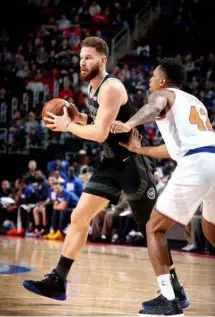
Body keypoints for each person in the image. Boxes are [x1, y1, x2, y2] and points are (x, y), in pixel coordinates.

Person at [23, 39, 187, 312]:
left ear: (102, 60)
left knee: (151, 231)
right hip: (111, 163)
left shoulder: (111, 87)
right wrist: (79, 118)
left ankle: (174, 291)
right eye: (80, 58)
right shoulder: (92, 88)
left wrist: (67, 127)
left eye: (88, 58)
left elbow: (99, 134)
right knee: (79, 217)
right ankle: (58, 280)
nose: (82, 63)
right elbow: (101, 123)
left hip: (134, 164)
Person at [110, 57, 215, 316]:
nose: (149, 81)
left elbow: (153, 107)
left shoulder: (163, 95)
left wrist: (129, 123)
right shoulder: (195, 102)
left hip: (197, 164)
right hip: (210, 158)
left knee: (154, 228)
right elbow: (173, 149)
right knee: (211, 228)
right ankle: (176, 292)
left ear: (163, 81)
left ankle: (169, 298)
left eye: (153, 76)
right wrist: (139, 149)